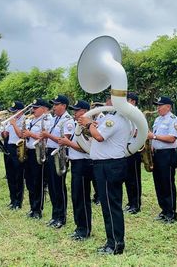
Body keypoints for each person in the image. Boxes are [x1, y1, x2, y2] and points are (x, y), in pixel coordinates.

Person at [77, 96, 130, 255]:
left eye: (109, 100)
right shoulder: (112, 118)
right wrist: (90, 126)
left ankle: (115, 244)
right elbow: (97, 134)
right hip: (107, 165)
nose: (106, 103)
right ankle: (113, 241)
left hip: (109, 166)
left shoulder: (114, 119)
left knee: (110, 206)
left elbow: (99, 137)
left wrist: (88, 123)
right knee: (109, 205)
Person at [59, 100, 93, 241]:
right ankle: (80, 227)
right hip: (76, 163)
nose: (75, 113)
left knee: (82, 198)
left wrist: (68, 143)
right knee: (76, 197)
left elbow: (85, 148)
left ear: (85, 112)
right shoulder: (76, 125)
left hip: (83, 163)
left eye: (77, 110)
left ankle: (84, 230)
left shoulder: (87, 127)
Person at [148, 96, 177, 224]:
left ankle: (171, 213)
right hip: (157, 154)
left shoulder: (173, 119)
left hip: (167, 154)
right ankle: (164, 210)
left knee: (167, 184)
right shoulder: (158, 119)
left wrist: (154, 137)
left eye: (160, 105)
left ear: (168, 107)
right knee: (159, 183)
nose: (158, 108)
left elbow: (172, 138)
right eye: (157, 105)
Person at [42, 94, 72, 229]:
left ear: (64, 106)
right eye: (53, 104)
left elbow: (64, 140)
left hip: (60, 154)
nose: (53, 107)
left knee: (59, 186)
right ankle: (55, 215)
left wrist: (47, 135)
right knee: (52, 186)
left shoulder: (68, 120)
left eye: (56, 104)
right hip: (50, 152)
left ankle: (61, 217)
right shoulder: (55, 119)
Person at [23, 98, 51, 219]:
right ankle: (32, 207)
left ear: (43, 109)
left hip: (38, 152)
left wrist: (30, 134)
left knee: (37, 181)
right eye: (33, 108)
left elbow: (44, 138)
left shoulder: (47, 120)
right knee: (29, 181)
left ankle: (37, 209)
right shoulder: (31, 120)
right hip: (28, 152)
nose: (33, 110)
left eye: (36, 108)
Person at [3, 101, 26, 210]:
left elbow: (21, 135)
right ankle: (12, 200)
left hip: (18, 148)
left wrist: (14, 124)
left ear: (20, 111)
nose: (13, 113)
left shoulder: (24, 120)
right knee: (10, 175)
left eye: (15, 111)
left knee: (18, 176)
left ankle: (18, 201)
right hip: (9, 147)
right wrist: (3, 129)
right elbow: (5, 135)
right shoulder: (12, 120)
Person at [124, 92, 142, 214]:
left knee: (134, 178)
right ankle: (130, 202)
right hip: (126, 148)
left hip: (134, 148)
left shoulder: (137, 114)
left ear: (133, 101)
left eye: (127, 100)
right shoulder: (128, 114)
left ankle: (136, 204)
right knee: (127, 178)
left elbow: (137, 132)